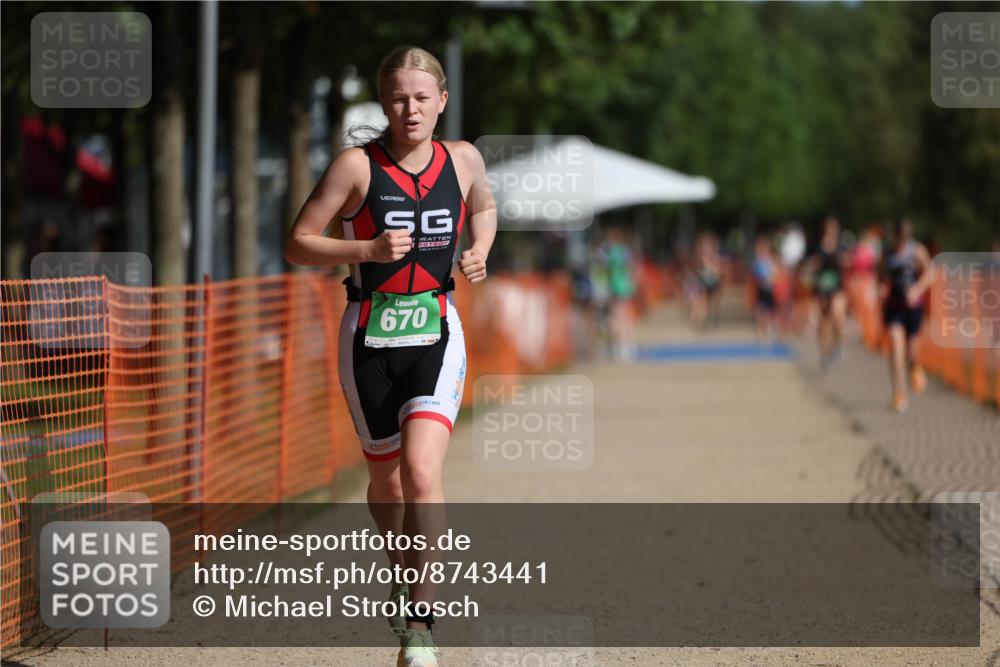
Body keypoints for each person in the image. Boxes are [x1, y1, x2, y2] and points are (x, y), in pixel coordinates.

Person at [285, 45, 496, 667]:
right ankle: (404, 579)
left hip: (436, 327)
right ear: (384, 102)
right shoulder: (355, 167)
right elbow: (298, 243)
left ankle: (420, 627)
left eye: (422, 98)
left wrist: (481, 246)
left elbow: (483, 205)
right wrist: (368, 251)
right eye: (399, 98)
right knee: (387, 480)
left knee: (424, 474)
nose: (411, 109)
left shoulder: (464, 159)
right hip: (368, 336)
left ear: (442, 101)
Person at [880, 218, 931, 413]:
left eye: (905, 238)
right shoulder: (888, 253)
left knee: (911, 352)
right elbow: (882, 274)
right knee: (896, 347)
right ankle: (899, 394)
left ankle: (916, 368)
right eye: (899, 238)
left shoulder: (917, 251)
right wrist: (882, 287)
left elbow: (930, 273)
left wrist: (917, 289)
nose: (901, 242)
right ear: (894, 237)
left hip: (913, 308)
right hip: (894, 307)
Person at [806, 216, 849, 370]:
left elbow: (847, 261)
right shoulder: (818, 246)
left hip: (837, 287)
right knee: (824, 322)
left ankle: (838, 345)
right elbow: (812, 263)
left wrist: (844, 260)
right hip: (823, 287)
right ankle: (825, 352)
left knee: (837, 316)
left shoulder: (841, 245)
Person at [751, 235, 779, 340]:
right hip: (761, 290)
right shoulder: (757, 262)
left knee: (770, 312)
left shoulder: (771, 261)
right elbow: (755, 277)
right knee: (760, 311)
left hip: (770, 291)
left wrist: (770, 280)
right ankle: (760, 332)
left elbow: (775, 275)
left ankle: (769, 329)